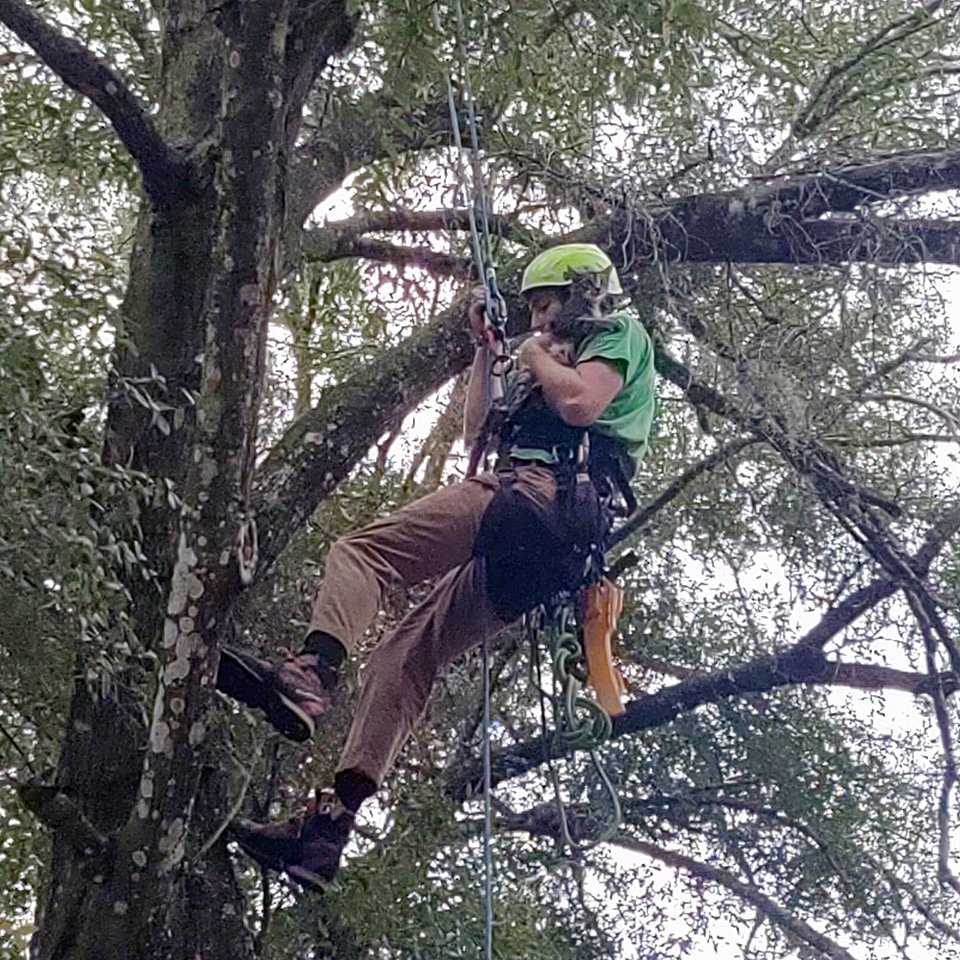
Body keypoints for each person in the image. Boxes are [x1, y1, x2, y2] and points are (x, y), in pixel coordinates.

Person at [215, 243, 657, 889]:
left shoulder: (621, 334)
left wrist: (532, 355)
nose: (538, 321)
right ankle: (330, 829)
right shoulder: (549, 359)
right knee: (404, 654)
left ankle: (312, 672)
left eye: (546, 305)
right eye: (532, 310)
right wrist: (486, 348)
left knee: (363, 553)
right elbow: (478, 428)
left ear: (584, 292)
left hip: (543, 501)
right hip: (545, 547)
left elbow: (582, 407)